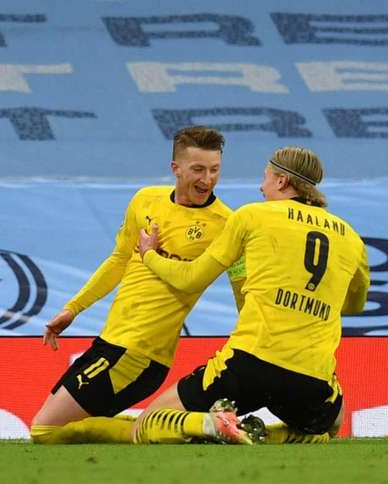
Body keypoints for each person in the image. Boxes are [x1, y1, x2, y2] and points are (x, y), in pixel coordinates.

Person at [133, 146, 370, 445]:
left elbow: (191, 278)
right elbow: (355, 304)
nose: (261, 186)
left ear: (282, 181)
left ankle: (212, 425)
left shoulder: (252, 216)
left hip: (249, 364)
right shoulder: (351, 237)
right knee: (332, 424)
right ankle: (268, 438)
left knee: (146, 425)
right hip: (310, 378)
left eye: (266, 177)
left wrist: (150, 255)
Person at [30, 126, 246, 444]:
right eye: (198, 169)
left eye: (215, 170)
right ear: (175, 168)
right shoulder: (146, 200)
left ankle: (201, 425)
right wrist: (73, 309)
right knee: (70, 434)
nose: (207, 179)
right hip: (112, 341)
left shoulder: (226, 224)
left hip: (139, 352)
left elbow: (242, 289)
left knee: (45, 431)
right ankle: (180, 426)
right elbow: (118, 260)